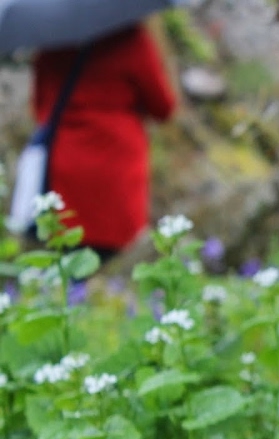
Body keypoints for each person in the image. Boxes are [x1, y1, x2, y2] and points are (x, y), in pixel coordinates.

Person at [33, 23, 176, 262]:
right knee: (119, 260)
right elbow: (163, 108)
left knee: (67, 254)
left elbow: (41, 108)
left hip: (66, 159)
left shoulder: (50, 40)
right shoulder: (131, 38)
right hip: (118, 165)